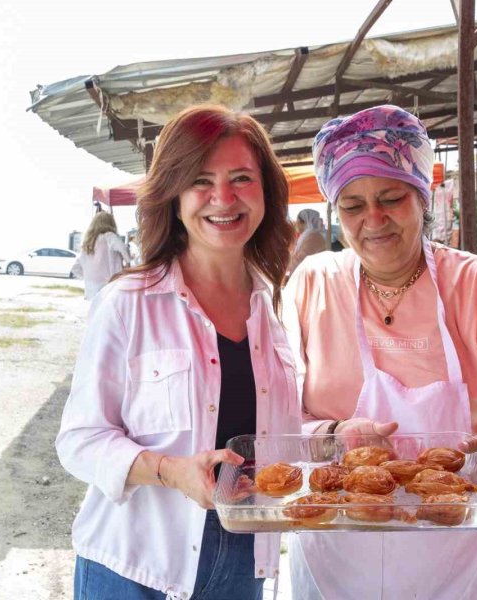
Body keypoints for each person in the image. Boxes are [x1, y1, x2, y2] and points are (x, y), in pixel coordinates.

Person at [283, 105, 477, 600]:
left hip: (454, 548)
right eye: (352, 205)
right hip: (339, 545)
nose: (374, 219)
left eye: (391, 197)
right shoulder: (311, 285)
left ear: (422, 198)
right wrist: (333, 434)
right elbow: (277, 417)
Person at [56, 104, 301, 600]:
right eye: (201, 181)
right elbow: (79, 440)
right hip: (134, 564)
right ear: (173, 195)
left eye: (241, 179)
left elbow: (282, 429)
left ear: (266, 193)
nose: (223, 198)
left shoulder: (271, 306)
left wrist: (339, 435)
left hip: (242, 560)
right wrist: (169, 470)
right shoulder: (128, 303)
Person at [72, 211, 131, 300]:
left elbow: (75, 268)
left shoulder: (87, 243)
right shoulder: (109, 237)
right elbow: (123, 249)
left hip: (91, 289)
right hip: (110, 285)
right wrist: (127, 263)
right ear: (111, 223)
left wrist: (88, 277)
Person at [287, 208, 326, 276]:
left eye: (298, 221)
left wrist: (284, 269)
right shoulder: (310, 235)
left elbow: (300, 260)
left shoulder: (314, 237)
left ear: (304, 222)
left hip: (310, 277)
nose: (296, 224)